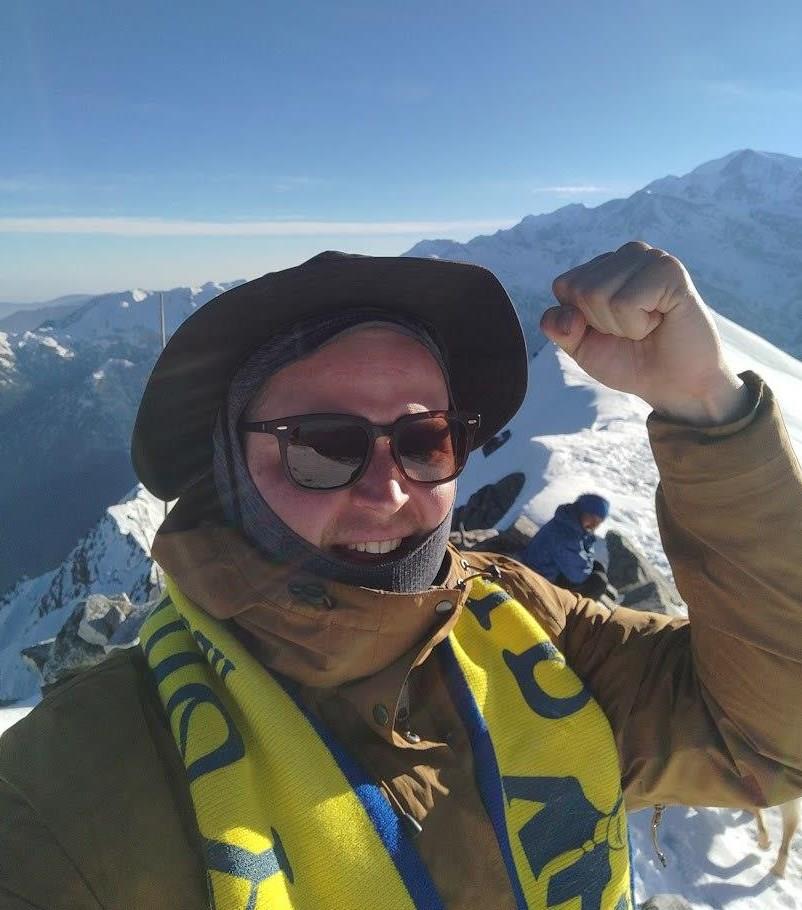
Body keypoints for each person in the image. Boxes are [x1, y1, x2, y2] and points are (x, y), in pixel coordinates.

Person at [1, 242, 801, 910]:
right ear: (230, 467)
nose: (387, 493)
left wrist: (707, 403)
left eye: (426, 441)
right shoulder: (73, 792)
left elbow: (771, 737)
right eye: (323, 445)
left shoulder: (532, 624)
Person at [521, 493, 613, 600]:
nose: (594, 525)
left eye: (598, 522)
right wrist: (588, 563)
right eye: (592, 518)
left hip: (552, 570)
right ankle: (571, 609)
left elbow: (585, 554)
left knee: (597, 567)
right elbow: (578, 576)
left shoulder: (571, 522)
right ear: (582, 511)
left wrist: (588, 562)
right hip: (539, 579)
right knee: (598, 582)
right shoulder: (565, 534)